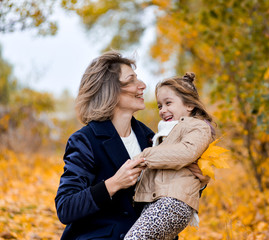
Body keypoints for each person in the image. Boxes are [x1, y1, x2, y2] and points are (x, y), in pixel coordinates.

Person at [55, 51, 209, 240]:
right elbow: (65, 208)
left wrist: (201, 180)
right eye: (131, 80)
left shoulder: (150, 138)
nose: (143, 85)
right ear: (110, 90)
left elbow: (169, 191)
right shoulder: (85, 141)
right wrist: (113, 184)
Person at [124, 72, 214, 240]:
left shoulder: (198, 127)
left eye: (168, 103)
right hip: (158, 201)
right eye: (159, 106)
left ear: (189, 105)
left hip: (173, 202)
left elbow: (185, 153)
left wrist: (144, 157)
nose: (163, 110)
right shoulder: (163, 134)